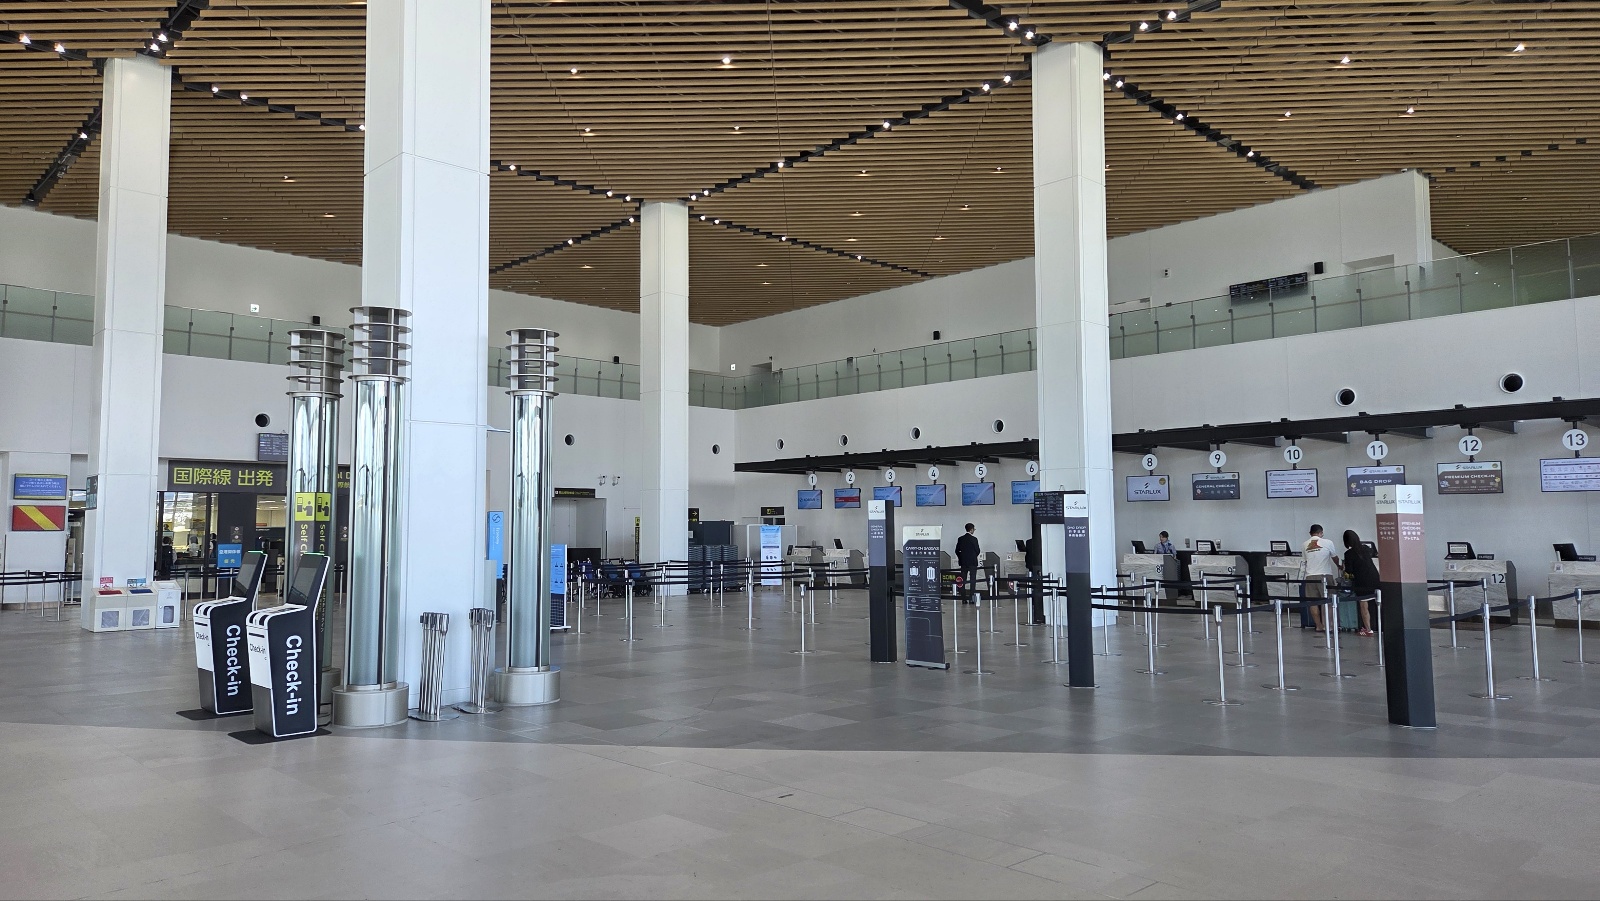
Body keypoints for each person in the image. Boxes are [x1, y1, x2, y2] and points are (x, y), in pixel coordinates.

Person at [1302, 524, 1341, 631]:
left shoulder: (1304, 544)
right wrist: (1340, 566)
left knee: (1313, 602)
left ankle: (1319, 626)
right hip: (1325, 575)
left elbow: (1304, 561)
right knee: (1328, 601)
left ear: (1310, 533)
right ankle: (1329, 626)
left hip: (1310, 576)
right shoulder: (1328, 542)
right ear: (1321, 532)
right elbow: (1335, 557)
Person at [1342, 530, 1381, 636]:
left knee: (1364, 605)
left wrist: (1345, 570)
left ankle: (1368, 629)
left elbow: (1349, 571)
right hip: (1375, 577)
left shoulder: (1348, 554)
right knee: (1378, 601)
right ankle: (1382, 626)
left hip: (1362, 581)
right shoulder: (1366, 548)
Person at [955, 523, 980, 605]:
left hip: (963, 563)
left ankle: (963, 599)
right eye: (974, 529)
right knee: (972, 580)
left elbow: (957, 551)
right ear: (971, 529)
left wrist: (961, 557)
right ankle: (971, 599)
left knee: (963, 580)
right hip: (972, 562)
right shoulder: (974, 539)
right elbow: (977, 550)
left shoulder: (960, 539)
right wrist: (973, 556)